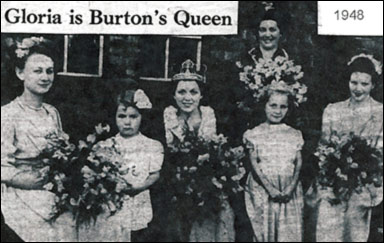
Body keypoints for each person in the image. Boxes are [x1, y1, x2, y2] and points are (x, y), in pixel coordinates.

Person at [1, 37, 76, 242]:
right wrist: (32, 180)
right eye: (37, 71)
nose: (45, 77)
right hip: (21, 194)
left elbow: (61, 156)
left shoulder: (52, 113)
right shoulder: (7, 114)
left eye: (49, 71)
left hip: (52, 191)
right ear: (20, 73)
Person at [308, 54, 383, 242]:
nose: (358, 89)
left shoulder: (381, 113)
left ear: (373, 85)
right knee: (327, 210)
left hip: (367, 181)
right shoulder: (333, 110)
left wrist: (362, 175)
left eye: (364, 84)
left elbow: (380, 154)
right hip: (334, 179)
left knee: (356, 215)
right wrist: (334, 175)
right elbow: (324, 148)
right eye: (354, 82)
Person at [78, 89, 164, 242]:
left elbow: (154, 174)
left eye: (133, 116)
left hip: (138, 199)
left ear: (141, 118)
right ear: (115, 118)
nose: (127, 122)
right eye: (122, 116)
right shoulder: (105, 145)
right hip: (111, 205)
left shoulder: (152, 145)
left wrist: (139, 187)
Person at [163, 59, 235, 242]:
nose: (188, 98)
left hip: (204, 185)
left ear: (201, 95)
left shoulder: (208, 115)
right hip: (176, 185)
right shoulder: (169, 116)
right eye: (182, 92)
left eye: (193, 92)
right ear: (174, 95)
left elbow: (214, 154)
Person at [243, 83, 304, 242]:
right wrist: (270, 188)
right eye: (273, 105)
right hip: (264, 189)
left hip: (288, 188)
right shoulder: (254, 133)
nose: (278, 111)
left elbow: (298, 164)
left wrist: (291, 187)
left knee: (288, 232)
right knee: (265, 231)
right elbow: (254, 163)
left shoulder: (294, 134)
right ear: (264, 105)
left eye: (283, 107)